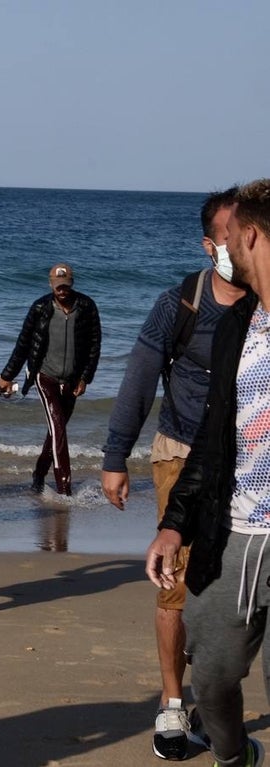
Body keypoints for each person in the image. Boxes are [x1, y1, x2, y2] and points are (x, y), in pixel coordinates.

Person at [102, 188, 242, 761]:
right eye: (231, 236)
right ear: (210, 244)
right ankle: (170, 701)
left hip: (251, 459)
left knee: (232, 590)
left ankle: (213, 701)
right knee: (179, 585)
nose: (244, 244)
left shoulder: (266, 301)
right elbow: (139, 378)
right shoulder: (180, 303)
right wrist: (115, 458)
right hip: (181, 452)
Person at [145, 178, 270, 767]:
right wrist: (175, 524)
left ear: (247, 236)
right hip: (234, 532)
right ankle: (232, 754)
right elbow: (212, 445)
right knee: (214, 681)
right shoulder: (235, 328)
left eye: (231, 239)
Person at [0, 264, 102, 496]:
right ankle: (65, 490)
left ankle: (39, 475)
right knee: (59, 429)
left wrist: (85, 378)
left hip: (73, 381)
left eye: (64, 286)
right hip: (45, 378)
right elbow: (23, 344)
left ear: (72, 283)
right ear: (50, 284)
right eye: (56, 286)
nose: (61, 290)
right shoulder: (40, 308)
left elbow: (95, 346)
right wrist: (7, 376)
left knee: (56, 432)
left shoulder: (86, 307)